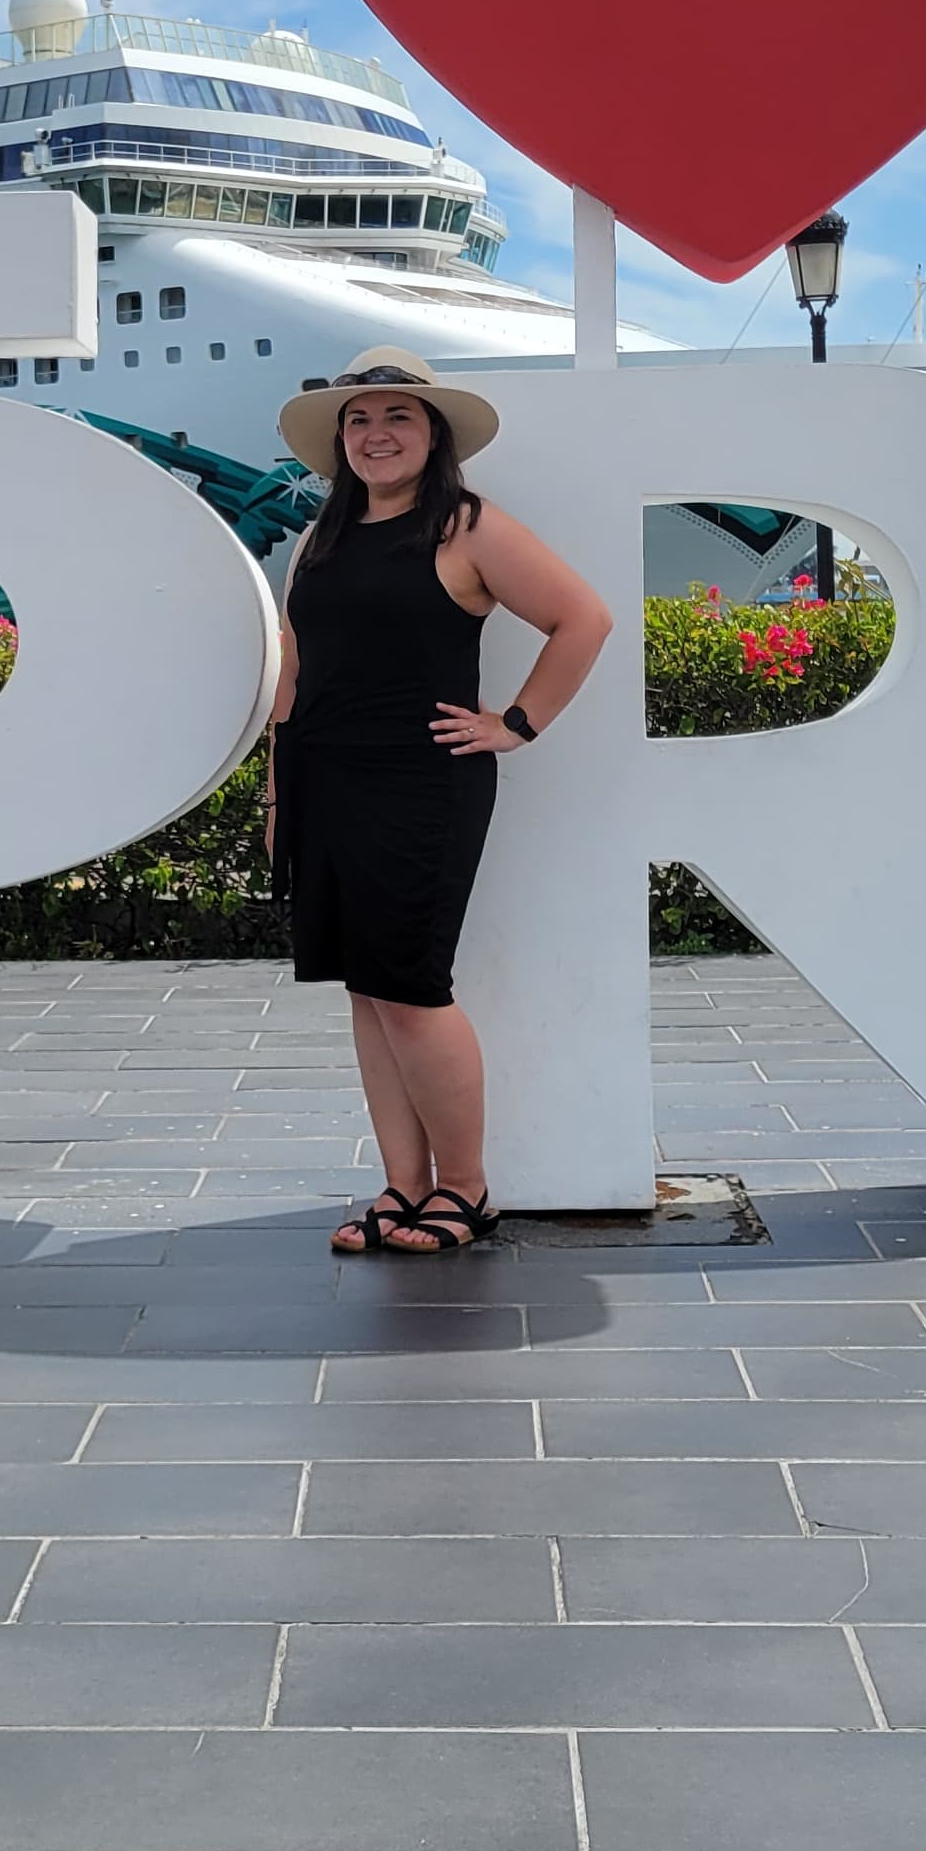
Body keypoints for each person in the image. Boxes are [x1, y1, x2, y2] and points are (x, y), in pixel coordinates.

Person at [266, 347, 613, 1255]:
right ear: (341, 439)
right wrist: (276, 789)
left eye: (398, 417)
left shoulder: (467, 527)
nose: (376, 434)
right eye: (359, 419)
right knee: (368, 993)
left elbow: (585, 618)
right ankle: (401, 1188)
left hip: (423, 783)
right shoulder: (320, 538)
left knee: (412, 989)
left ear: (434, 434)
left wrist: (517, 723)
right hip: (323, 779)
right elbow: (294, 673)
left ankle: (466, 1191)